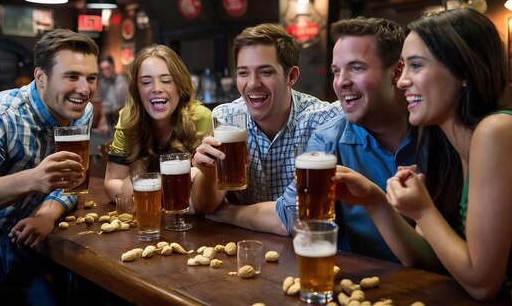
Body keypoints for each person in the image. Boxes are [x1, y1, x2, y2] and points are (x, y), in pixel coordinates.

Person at [335, 8, 512, 301]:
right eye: (403, 66)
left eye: (416, 66)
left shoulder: (498, 132)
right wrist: (373, 199)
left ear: (463, 73)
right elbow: (427, 259)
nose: (402, 81)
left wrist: (423, 211)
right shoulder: (446, 143)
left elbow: (482, 284)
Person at [0, 29, 99, 304]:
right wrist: (33, 179)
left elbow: (74, 180)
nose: (85, 90)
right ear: (41, 77)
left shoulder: (81, 111)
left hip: (17, 256)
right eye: (72, 77)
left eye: (91, 78)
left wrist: (48, 212)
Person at [272, 17, 414, 263]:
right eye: (336, 71)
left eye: (357, 68)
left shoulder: (437, 131)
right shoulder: (329, 139)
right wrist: (227, 213)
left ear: (397, 71)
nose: (341, 82)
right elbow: (290, 213)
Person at [191, 22, 341, 233]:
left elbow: (300, 217)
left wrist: (226, 213)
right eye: (243, 73)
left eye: (265, 72)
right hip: (243, 248)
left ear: (291, 76)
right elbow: (203, 207)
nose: (252, 83)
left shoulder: (321, 121)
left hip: (304, 250)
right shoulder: (226, 117)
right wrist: (207, 175)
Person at [103, 45, 212, 202]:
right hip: (147, 217)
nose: (156, 88)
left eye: (166, 80)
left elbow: (206, 192)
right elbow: (112, 183)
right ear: (137, 90)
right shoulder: (128, 118)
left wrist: (138, 184)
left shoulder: (201, 117)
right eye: (146, 82)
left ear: (180, 86)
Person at [96, 55, 128, 136]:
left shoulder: (122, 82)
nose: (105, 71)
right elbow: (104, 103)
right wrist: (103, 119)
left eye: (108, 68)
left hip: (122, 119)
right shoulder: (103, 83)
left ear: (113, 66)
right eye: (103, 69)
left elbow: (126, 107)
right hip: (109, 118)